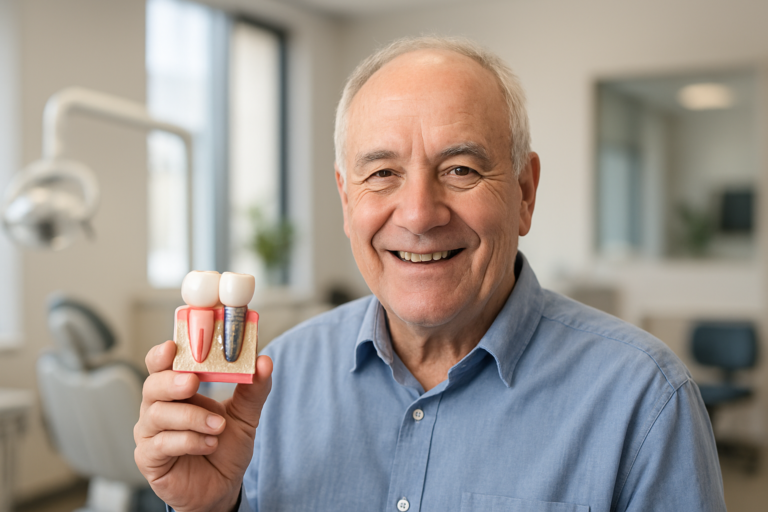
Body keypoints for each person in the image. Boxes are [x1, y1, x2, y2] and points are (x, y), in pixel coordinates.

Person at [134, 36, 726, 512]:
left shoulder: (645, 402)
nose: (418, 214)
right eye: (382, 173)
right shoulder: (274, 384)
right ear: (346, 198)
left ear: (524, 193)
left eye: (461, 169)